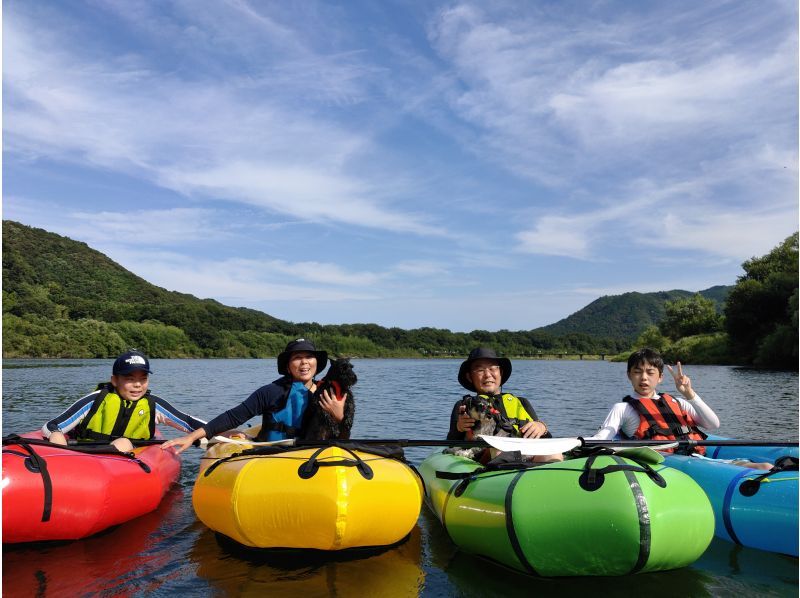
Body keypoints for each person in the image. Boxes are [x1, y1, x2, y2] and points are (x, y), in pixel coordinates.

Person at [592, 347, 772, 469]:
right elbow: (601, 439)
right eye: (638, 372)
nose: (644, 378)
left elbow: (713, 424)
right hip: (666, 463)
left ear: (660, 377)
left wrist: (689, 393)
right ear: (629, 376)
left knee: (763, 466)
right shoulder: (622, 408)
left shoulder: (678, 402)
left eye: (650, 372)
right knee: (760, 467)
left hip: (694, 458)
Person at [161, 338, 344, 453]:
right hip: (272, 452)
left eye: (309, 357)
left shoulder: (328, 393)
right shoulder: (271, 392)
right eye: (297, 357)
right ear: (288, 366)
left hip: (310, 453)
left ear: (316, 363)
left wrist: (339, 416)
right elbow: (233, 416)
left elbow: (341, 433)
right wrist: (191, 437)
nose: (304, 362)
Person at [43, 349, 206, 452]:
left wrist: (219, 430)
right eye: (130, 378)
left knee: (123, 443)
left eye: (143, 379)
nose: (137, 385)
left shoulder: (153, 405)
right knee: (122, 443)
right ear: (114, 380)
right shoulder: (96, 400)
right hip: (86, 453)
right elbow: (52, 426)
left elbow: (188, 423)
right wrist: (56, 436)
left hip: (127, 459)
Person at [447, 347, 563, 462]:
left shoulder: (522, 402)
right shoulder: (464, 406)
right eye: (480, 370)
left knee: (554, 453)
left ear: (500, 372)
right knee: (498, 450)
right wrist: (459, 428)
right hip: (489, 457)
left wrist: (541, 427)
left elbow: (546, 439)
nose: (488, 374)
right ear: (469, 377)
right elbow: (450, 443)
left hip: (525, 453)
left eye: (493, 369)